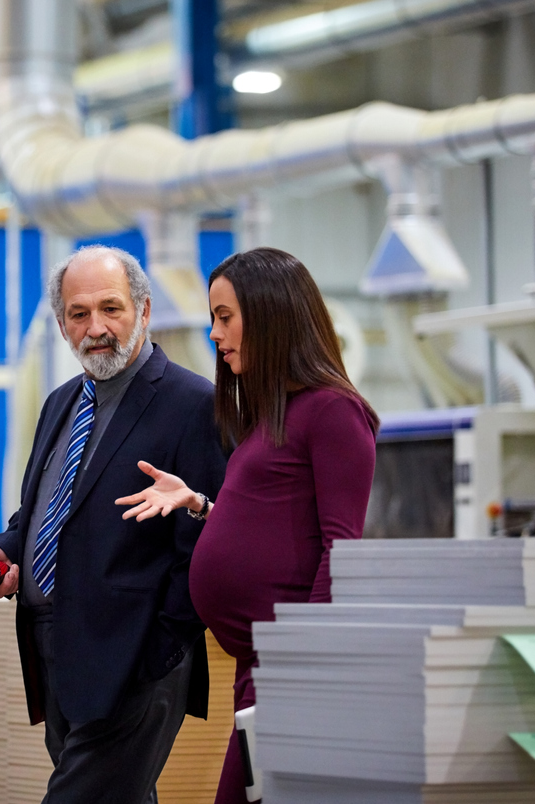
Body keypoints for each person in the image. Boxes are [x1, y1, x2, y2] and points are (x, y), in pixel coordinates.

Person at [115, 247, 378, 804]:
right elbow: (274, 524)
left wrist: (301, 665)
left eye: (225, 317)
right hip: (258, 664)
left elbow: (341, 548)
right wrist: (202, 508)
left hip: (286, 667)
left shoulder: (332, 411)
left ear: (271, 314)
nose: (213, 333)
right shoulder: (275, 414)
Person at [0, 245, 228, 804]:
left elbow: (206, 538)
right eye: (79, 314)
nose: (97, 328)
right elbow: (43, 509)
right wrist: (5, 551)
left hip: (134, 651)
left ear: (143, 310)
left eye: (111, 309)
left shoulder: (192, 404)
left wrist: (162, 647)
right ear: (62, 324)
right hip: (54, 645)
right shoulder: (61, 403)